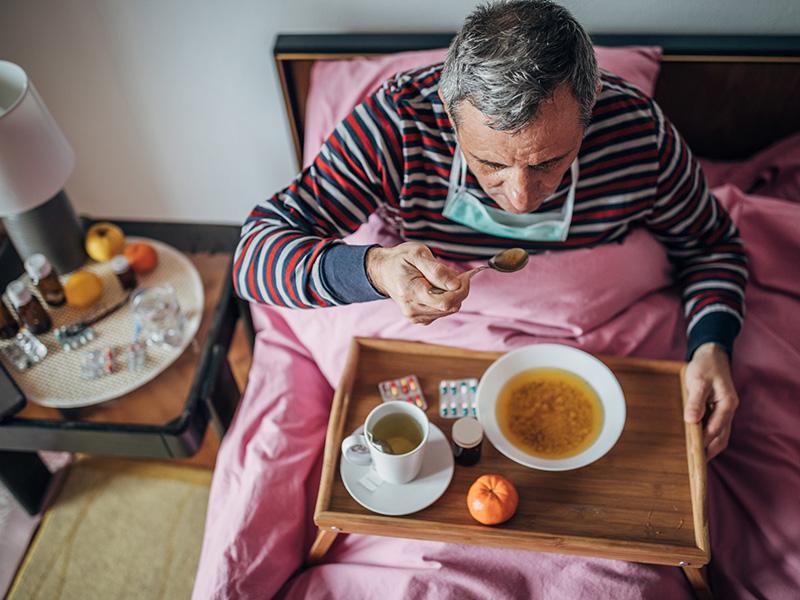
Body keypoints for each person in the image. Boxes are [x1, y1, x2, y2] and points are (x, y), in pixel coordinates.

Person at [233, 0, 747, 459]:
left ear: (590, 114)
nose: (520, 198)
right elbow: (253, 257)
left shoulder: (640, 135)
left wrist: (711, 346)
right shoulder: (398, 123)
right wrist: (376, 267)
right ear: (450, 118)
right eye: (490, 163)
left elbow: (713, 247)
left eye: (550, 161)